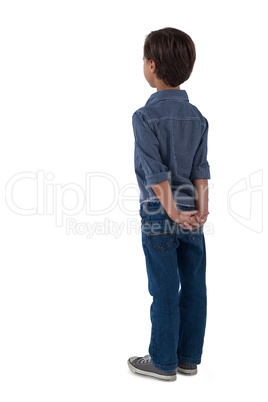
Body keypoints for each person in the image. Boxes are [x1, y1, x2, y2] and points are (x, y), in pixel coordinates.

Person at [127, 27, 211, 382]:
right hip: (193, 213)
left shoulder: (144, 117)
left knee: (163, 288)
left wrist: (172, 211)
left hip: (161, 213)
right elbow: (200, 170)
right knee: (194, 286)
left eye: (144, 60)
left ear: (153, 65)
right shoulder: (197, 118)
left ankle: (162, 362)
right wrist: (201, 209)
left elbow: (155, 173)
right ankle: (187, 358)